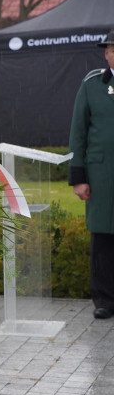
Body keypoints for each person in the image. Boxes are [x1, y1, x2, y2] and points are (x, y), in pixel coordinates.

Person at [69, 28, 114, 320]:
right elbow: (78, 132)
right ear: (106, 54)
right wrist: (78, 177)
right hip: (102, 175)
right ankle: (105, 299)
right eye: (112, 50)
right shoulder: (92, 84)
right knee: (103, 237)